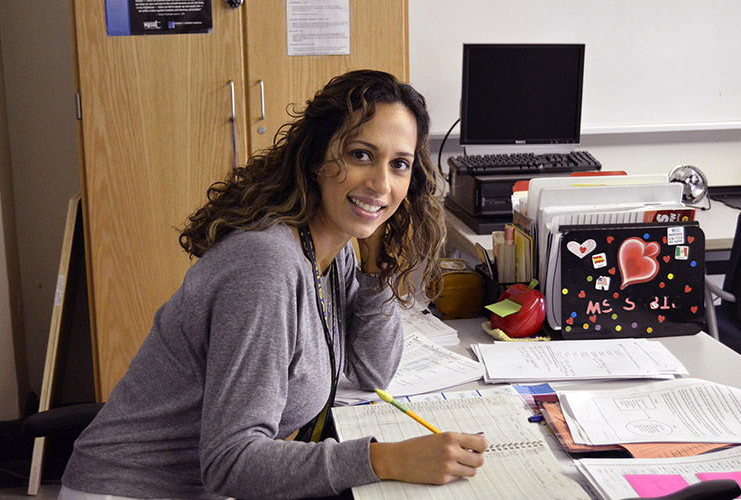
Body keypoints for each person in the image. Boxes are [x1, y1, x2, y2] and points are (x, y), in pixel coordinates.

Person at [59, 69, 487, 500]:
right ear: (318, 158)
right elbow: (230, 463)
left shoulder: (332, 246)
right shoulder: (266, 266)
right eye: (360, 155)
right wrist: (386, 459)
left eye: (399, 164)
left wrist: (376, 268)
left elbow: (373, 372)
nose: (381, 184)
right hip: (131, 491)